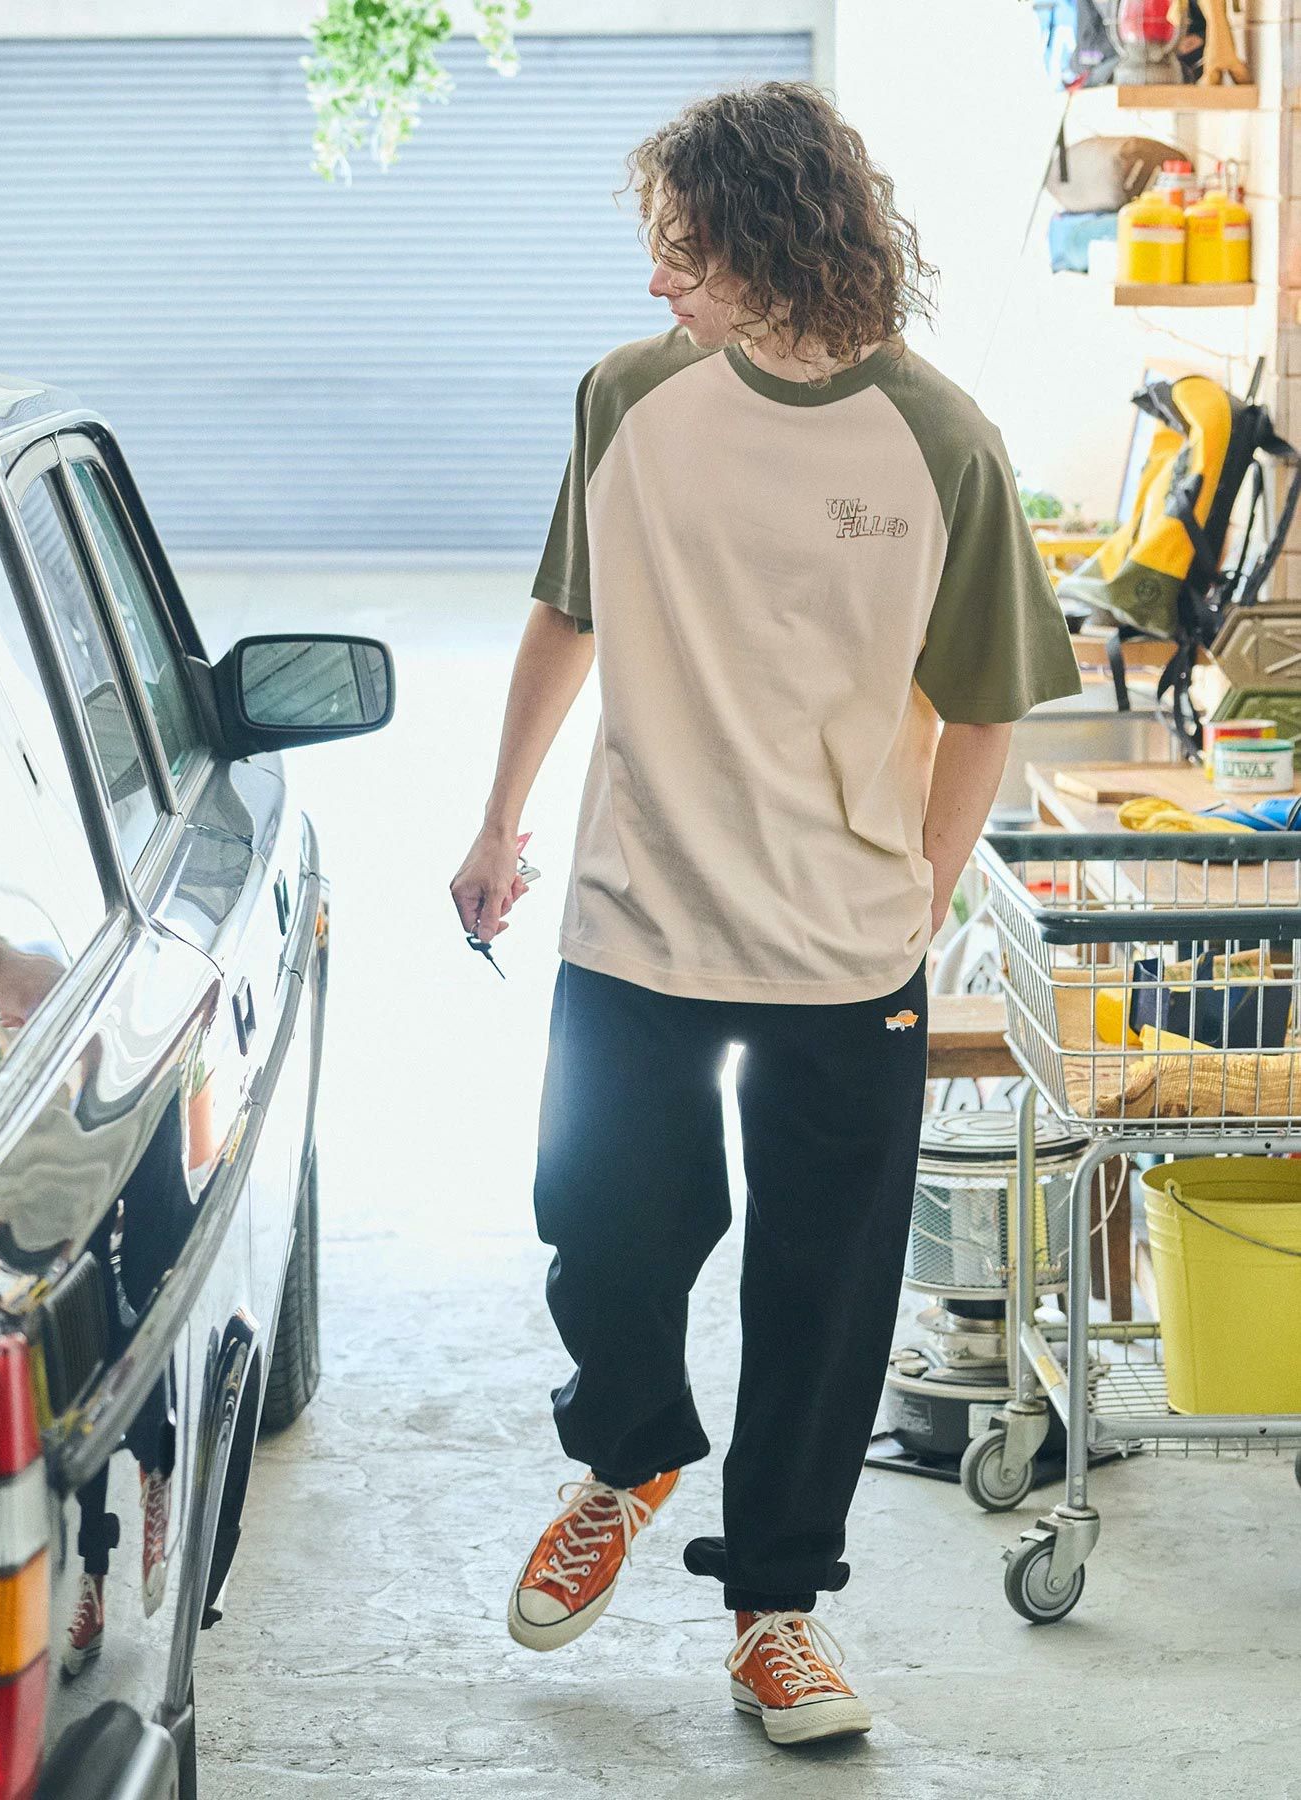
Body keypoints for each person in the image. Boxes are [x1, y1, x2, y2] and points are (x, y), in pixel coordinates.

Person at [450, 80, 1081, 1746]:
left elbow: (988, 707)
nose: (657, 278)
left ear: (779, 239)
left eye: (687, 247)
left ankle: (776, 1613)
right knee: (605, 1228)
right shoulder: (629, 400)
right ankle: (630, 1452)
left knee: (825, 1293)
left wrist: (917, 898)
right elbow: (567, 612)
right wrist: (499, 817)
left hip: (841, 949)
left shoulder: (942, 442)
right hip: (637, 915)